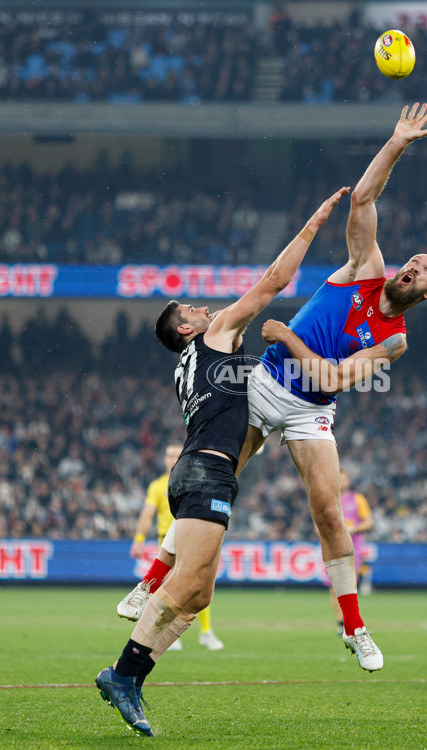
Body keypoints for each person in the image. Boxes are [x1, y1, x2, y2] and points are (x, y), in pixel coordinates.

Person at [117, 102, 427, 676]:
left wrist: (288, 337)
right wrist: (396, 143)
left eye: (425, 271)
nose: (413, 266)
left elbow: (334, 378)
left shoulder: (395, 340)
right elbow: (365, 199)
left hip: (311, 407)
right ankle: (147, 585)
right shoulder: (365, 267)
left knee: (328, 511)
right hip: (262, 383)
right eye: (414, 259)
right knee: (216, 479)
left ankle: (355, 627)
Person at [95, 185, 350, 737]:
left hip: (199, 472)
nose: (204, 308)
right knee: (187, 589)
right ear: (187, 329)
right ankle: (124, 674)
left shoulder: (192, 360)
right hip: (207, 471)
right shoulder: (214, 336)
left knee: (199, 595)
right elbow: (273, 283)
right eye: (192, 309)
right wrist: (313, 225)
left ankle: (129, 659)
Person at [118, 443, 224, 651]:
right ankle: (172, 633)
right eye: (168, 455)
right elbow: (147, 513)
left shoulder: (196, 481)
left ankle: (205, 631)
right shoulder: (157, 486)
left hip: (192, 537)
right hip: (166, 541)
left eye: (176, 455)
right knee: (176, 586)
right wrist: (139, 538)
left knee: (197, 583)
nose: (171, 459)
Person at [328, 469, 374, 636]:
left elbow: (369, 522)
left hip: (352, 549)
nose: (342, 482)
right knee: (334, 587)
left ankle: (352, 622)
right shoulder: (328, 499)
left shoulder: (357, 499)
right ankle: (341, 624)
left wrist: (355, 528)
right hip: (331, 547)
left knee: (349, 585)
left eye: (344, 479)